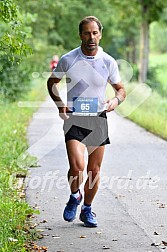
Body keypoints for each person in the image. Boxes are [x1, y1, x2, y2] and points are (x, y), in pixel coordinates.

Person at [47, 16, 126, 227]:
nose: (91, 37)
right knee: (77, 165)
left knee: (94, 170)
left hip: (98, 119)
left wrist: (115, 101)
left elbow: (121, 90)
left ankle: (87, 209)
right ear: (80, 34)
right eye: (86, 33)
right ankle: (75, 196)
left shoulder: (108, 61)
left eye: (94, 33)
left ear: (100, 34)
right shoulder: (68, 59)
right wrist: (59, 104)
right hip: (74, 118)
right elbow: (52, 82)